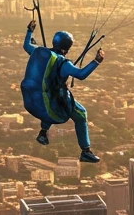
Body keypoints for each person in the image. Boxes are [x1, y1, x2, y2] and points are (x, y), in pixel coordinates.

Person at [21, 21, 104, 163]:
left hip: (32, 104)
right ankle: (86, 151)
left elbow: (26, 45)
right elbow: (81, 74)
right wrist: (97, 61)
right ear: (67, 48)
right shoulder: (62, 63)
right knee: (80, 113)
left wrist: (29, 31)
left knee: (48, 97)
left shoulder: (38, 52)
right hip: (49, 108)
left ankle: (43, 133)